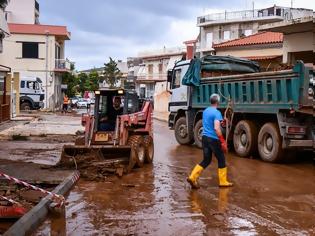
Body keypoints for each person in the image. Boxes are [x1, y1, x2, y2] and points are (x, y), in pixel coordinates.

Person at [187, 93, 233, 189]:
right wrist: (223, 141)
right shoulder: (217, 113)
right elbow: (216, 128)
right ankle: (223, 182)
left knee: (206, 160)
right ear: (218, 102)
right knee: (221, 159)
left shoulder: (206, 111)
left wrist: (222, 122)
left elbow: (211, 123)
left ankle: (192, 176)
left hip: (205, 138)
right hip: (213, 139)